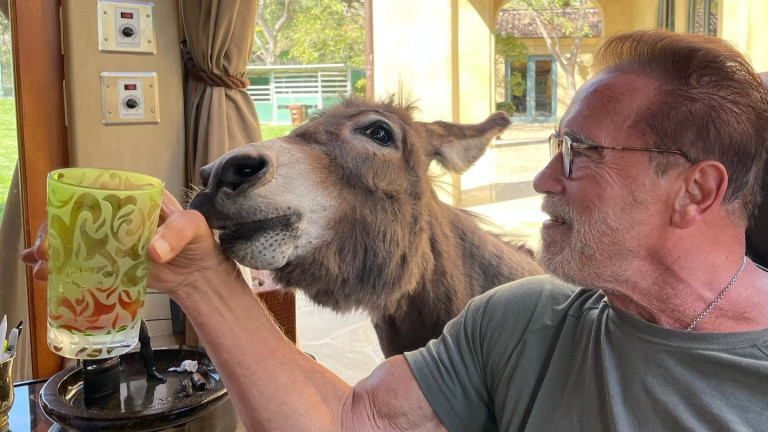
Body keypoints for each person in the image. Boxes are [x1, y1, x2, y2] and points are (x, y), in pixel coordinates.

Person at [23, 29, 768, 431]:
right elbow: (350, 422)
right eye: (553, 149)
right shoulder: (522, 318)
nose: (543, 180)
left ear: (695, 190)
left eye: (580, 155)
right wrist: (197, 276)